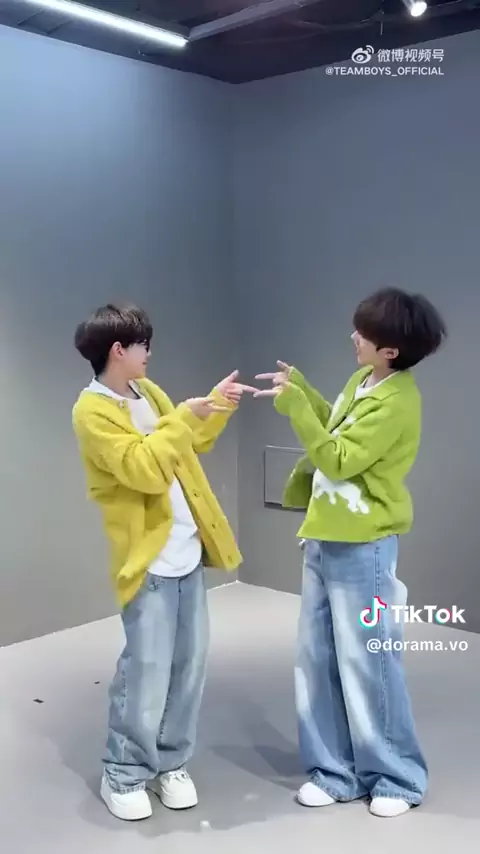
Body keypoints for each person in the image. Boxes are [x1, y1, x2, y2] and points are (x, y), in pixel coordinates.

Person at [254, 287, 447, 819]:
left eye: (364, 334)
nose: (354, 338)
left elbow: (337, 459)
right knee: (316, 659)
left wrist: (296, 410)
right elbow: (336, 428)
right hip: (325, 536)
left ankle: (397, 777)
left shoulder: (399, 402)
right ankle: (334, 771)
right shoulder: (363, 381)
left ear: (391, 350)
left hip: (365, 547)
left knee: (368, 661)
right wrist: (305, 392)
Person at [72, 303, 254, 822]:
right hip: (148, 560)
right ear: (118, 350)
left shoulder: (148, 393)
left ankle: (171, 763)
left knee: (188, 665)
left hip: (187, 551)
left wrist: (214, 407)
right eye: (143, 345)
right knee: (146, 671)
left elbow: (185, 447)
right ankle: (124, 771)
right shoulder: (92, 412)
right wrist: (183, 419)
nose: (149, 354)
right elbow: (144, 469)